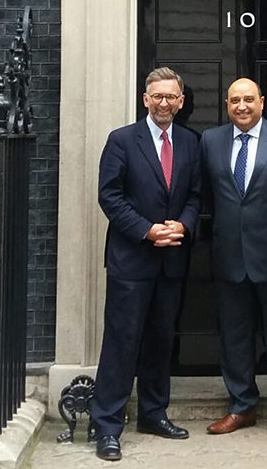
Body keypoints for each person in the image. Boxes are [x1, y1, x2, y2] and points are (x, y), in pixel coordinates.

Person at [92, 67, 201, 461]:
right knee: (122, 342)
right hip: (131, 260)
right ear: (145, 99)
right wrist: (147, 230)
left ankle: (154, 413)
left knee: (160, 341)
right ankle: (106, 424)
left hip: (172, 260)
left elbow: (194, 194)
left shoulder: (191, 142)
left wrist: (183, 224)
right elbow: (110, 196)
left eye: (172, 97)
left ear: (181, 102)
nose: (165, 103)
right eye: (158, 96)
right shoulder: (121, 140)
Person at [201, 78, 267, 441]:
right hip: (228, 253)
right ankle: (241, 406)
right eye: (234, 100)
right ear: (226, 104)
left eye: (248, 99)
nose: (242, 106)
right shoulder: (210, 140)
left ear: (262, 101)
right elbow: (206, 196)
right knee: (234, 336)